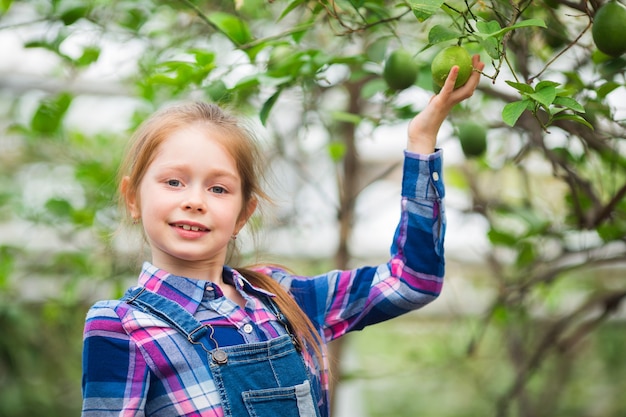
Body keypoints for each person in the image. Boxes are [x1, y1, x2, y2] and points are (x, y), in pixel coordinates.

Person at [81, 55, 485, 417]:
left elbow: (413, 281)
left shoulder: (282, 297)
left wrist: (421, 141)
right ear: (133, 198)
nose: (195, 201)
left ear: (243, 214)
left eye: (218, 189)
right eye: (173, 182)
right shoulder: (122, 325)